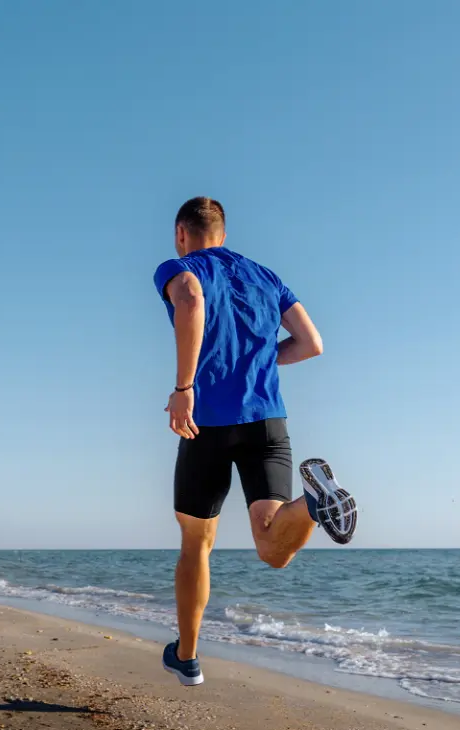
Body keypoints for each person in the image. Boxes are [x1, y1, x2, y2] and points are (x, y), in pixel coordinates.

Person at [153, 197, 357, 686]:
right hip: (267, 422)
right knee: (273, 547)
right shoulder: (266, 277)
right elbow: (312, 344)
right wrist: (262, 363)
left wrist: (184, 388)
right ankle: (313, 503)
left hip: (207, 425)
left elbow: (190, 299)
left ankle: (188, 656)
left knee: (196, 545)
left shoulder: (179, 267)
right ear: (222, 232)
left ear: (183, 232)